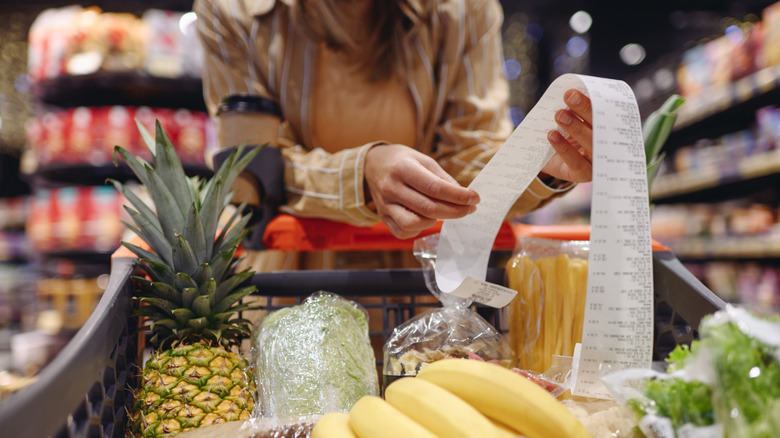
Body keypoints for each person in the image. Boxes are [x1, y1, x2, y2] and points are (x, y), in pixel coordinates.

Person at [193, 0, 593, 250]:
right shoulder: (232, 10)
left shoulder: (463, 9)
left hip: (418, 287)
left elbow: (469, 162)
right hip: (288, 287)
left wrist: (539, 164)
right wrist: (361, 175)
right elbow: (250, 170)